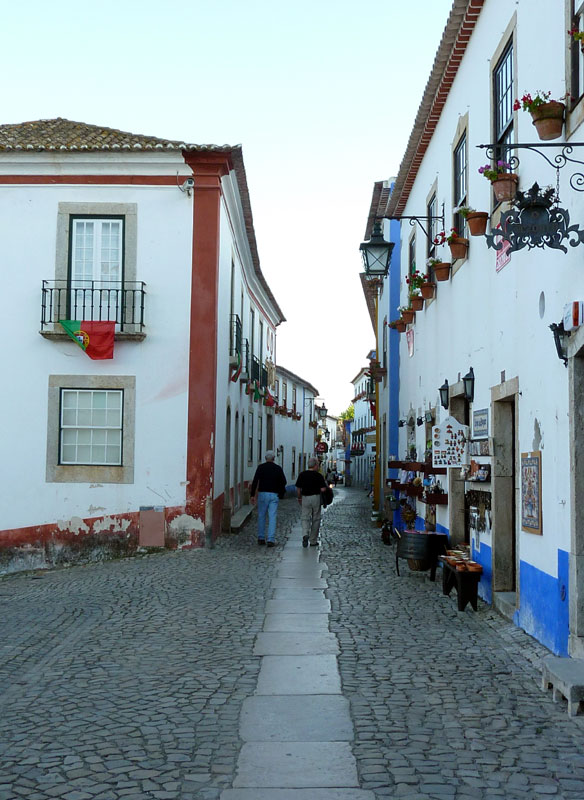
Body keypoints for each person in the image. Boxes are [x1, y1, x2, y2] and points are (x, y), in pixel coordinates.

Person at [250, 450, 287, 547]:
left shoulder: (261, 468)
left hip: (262, 494)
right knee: (272, 517)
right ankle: (271, 539)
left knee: (261, 516)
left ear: (265, 458)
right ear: (274, 458)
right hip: (274, 495)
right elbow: (283, 481)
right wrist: (281, 493)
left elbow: (255, 481)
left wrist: (252, 495)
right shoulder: (278, 468)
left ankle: (261, 537)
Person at [295, 457, 327, 548]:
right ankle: (313, 540)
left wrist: (299, 498)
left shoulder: (302, 475)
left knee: (305, 517)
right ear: (316, 465)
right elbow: (323, 489)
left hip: (305, 497)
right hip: (315, 498)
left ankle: (305, 534)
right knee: (316, 518)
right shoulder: (319, 476)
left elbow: (298, 488)